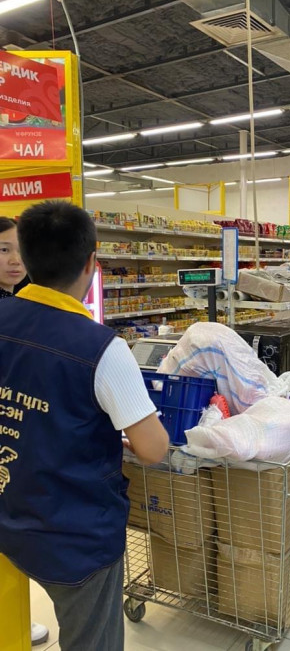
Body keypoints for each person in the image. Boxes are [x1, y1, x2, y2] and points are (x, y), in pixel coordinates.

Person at [0, 201, 169, 651]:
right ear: (92, 262)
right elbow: (153, 449)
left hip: (10, 513)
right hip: (75, 536)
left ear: (26, 257)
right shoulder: (101, 348)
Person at [0, 216, 50, 646]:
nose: (15, 260)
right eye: (3, 250)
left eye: (20, 250)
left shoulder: (21, 300)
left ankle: (13, 616)